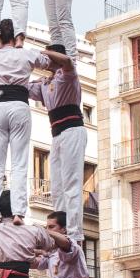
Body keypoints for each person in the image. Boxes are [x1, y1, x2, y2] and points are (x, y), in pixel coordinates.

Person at [0, 20, 73, 224]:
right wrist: (30, 50)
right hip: (19, 105)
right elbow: (59, 63)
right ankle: (18, 213)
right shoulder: (25, 54)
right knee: (19, 163)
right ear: (17, 36)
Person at [27, 44, 85, 242]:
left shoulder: (68, 75)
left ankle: (74, 232)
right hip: (58, 134)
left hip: (72, 130)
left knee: (71, 182)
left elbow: (68, 62)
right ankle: (61, 226)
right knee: (58, 186)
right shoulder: (45, 83)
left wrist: (43, 53)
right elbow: (24, 88)